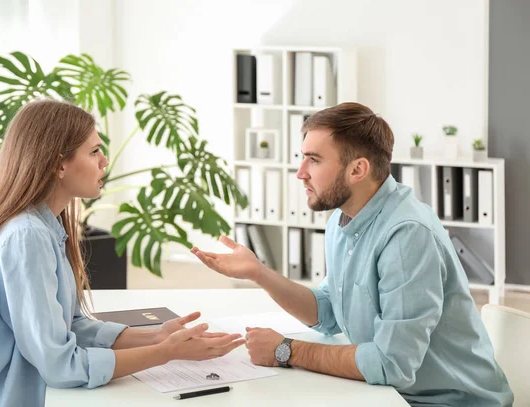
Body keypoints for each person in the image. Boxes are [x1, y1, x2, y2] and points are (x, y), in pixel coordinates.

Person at [192, 102, 513, 406]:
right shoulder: (343, 221)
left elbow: (392, 365)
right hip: (392, 395)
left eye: (314, 160)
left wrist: (285, 350)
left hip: (444, 401)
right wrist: (259, 272)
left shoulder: (407, 235)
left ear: (358, 169)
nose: (300, 172)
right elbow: (330, 311)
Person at [0, 99, 245, 407]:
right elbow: (60, 366)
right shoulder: (27, 236)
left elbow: (69, 326)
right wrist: (165, 354)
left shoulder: (44, 225)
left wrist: (156, 337)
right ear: (59, 164)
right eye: (94, 151)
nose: (104, 161)